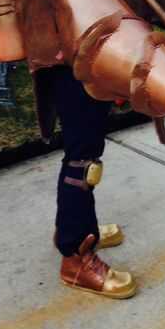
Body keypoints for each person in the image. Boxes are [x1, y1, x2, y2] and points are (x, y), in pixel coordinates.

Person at [50, 65, 137, 299]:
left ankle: (72, 229)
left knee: (84, 150)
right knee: (83, 162)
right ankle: (75, 258)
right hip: (72, 59)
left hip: (86, 59)